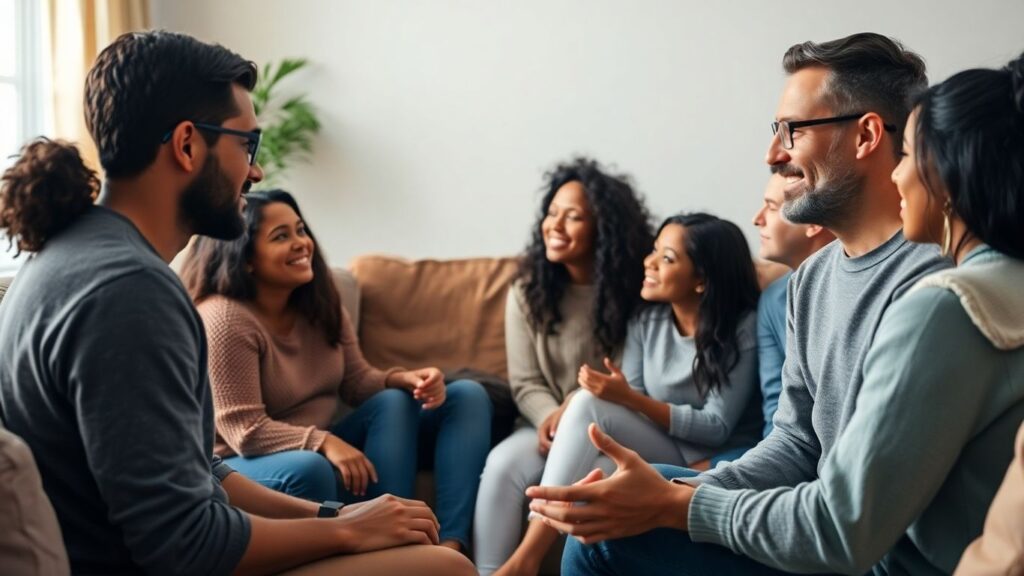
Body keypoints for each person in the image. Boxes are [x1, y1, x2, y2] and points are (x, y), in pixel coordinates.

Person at [0, 31, 473, 575]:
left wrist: (336, 515)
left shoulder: (68, 255)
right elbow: (187, 545)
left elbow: (200, 470)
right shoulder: (129, 292)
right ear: (187, 145)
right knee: (447, 569)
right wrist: (347, 532)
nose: (256, 171)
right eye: (247, 144)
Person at [528, 32, 961, 575]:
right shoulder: (811, 280)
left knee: (610, 540)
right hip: (816, 529)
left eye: (792, 130)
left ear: (866, 135)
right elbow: (796, 442)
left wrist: (678, 506)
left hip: (872, 556)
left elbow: (856, 520)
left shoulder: (932, 283)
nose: (772, 154)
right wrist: (681, 490)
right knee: (629, 503)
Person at [179, 189, 493, 553]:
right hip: (245, 461)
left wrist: (402, 379)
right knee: (309, 467)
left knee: (448, 396)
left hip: (315, 442)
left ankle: (448, 544)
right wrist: (324, 442)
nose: (302, 243)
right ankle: (394, 549)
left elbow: (356, 382)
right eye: (281, 236)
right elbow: (245, 431)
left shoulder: (319, 300)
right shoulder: (224, 318)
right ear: (245, 258)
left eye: (301, 230)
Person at [494, 212, 762, 575]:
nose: (649, 262)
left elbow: (716, 426)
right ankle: (518, 563)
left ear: (701, 279)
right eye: (654, 250)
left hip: (714, 457)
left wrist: (630, 399)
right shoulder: (646, 322)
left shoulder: (742, 328)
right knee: (599, 467)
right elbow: (631, 399)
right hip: (667, 446)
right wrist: (622, 396)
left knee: (590, 406)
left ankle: (526, 557)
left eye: (667, 258)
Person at [473, 157, 653, 575]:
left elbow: (627, 377)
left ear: (604, 229)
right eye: (552, 213)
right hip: (542, 426)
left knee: (599, 472)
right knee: (501, 464)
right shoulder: (526, 292)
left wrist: (572, 408)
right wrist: (550, 419)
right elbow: (525, 382)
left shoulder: (637, 292)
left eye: (573, 217)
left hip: (607, 427)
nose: (555, 225)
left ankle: (526, 562)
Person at [751, 174, 834, 436]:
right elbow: (775, 412)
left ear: (813, 222)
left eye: (772, 207)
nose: (757, 219)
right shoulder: (773, 300)